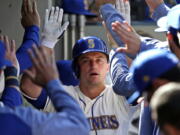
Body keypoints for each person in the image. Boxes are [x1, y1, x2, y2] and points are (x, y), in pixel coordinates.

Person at [0, 44, 89, 135]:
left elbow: (12, 97)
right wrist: (52, 82)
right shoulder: (9, 117)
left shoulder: (7, 113)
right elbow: (78, 125)